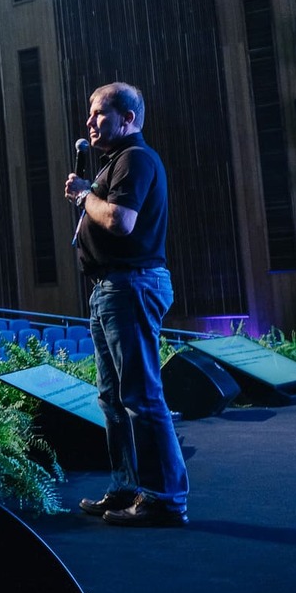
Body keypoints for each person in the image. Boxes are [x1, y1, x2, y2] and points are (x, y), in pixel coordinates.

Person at [66, 81, 188, 527]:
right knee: (112, 398)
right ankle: (126, 488)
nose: (90, 122)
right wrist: (88, 190)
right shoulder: (115, 163)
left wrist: (84, 194)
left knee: (140, 395)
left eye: (99, 113)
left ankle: (164, 498)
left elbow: (120, 221)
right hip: (109, 288)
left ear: (128, 119)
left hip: (129, 285)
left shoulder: (135, 158)